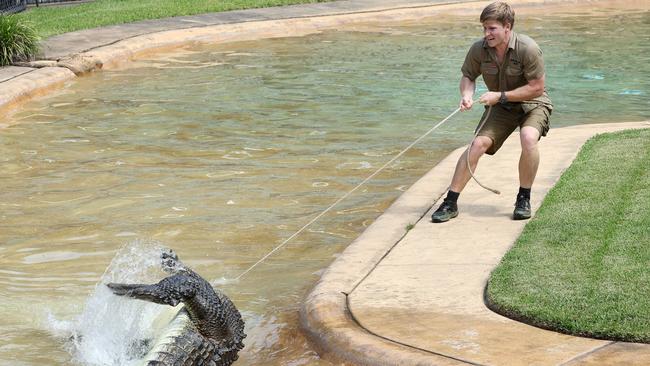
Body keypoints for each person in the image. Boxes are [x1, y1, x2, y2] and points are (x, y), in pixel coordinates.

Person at [431, 1, 553, 223]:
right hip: (501, 107)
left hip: (534, 104)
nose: (486, 33)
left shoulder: (528, 48)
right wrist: (466, 95)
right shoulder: (479, 49)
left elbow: (537, 88)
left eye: (492, 28)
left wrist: (500, 95)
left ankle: (523, 198)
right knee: (477, 145)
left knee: (528, 138)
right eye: (484, 28)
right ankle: (450, 202)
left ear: (507, 26)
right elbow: (468, 76)